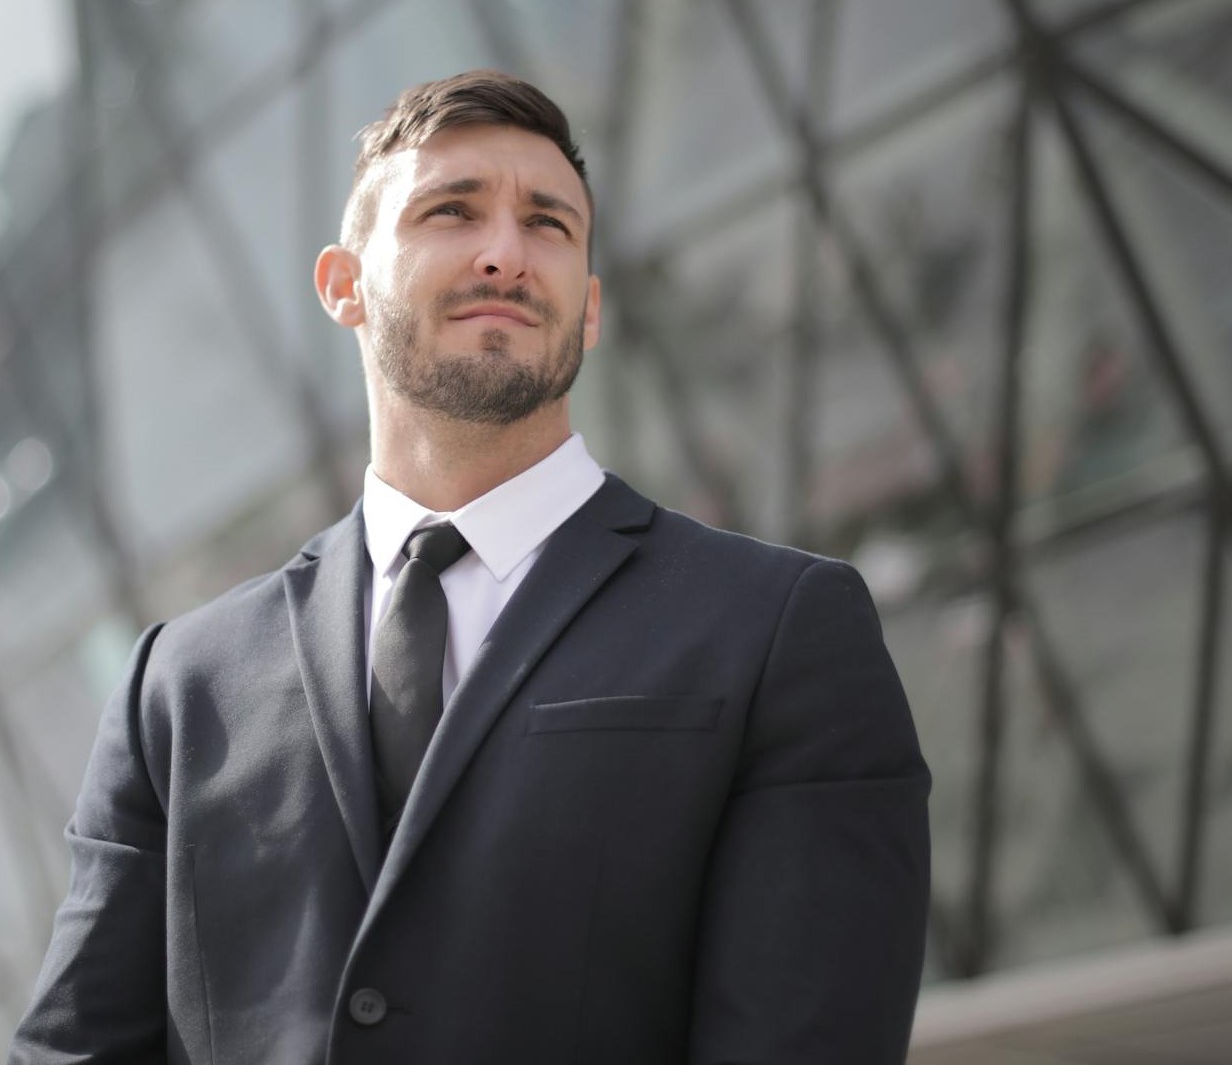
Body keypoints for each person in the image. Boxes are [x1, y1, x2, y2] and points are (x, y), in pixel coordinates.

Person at [11, 70, 930, 1064]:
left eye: (549, 226)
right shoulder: (177, 687)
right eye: (451, 212)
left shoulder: (780, 629)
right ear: (342, 285)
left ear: (590, 307)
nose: (505, 254)